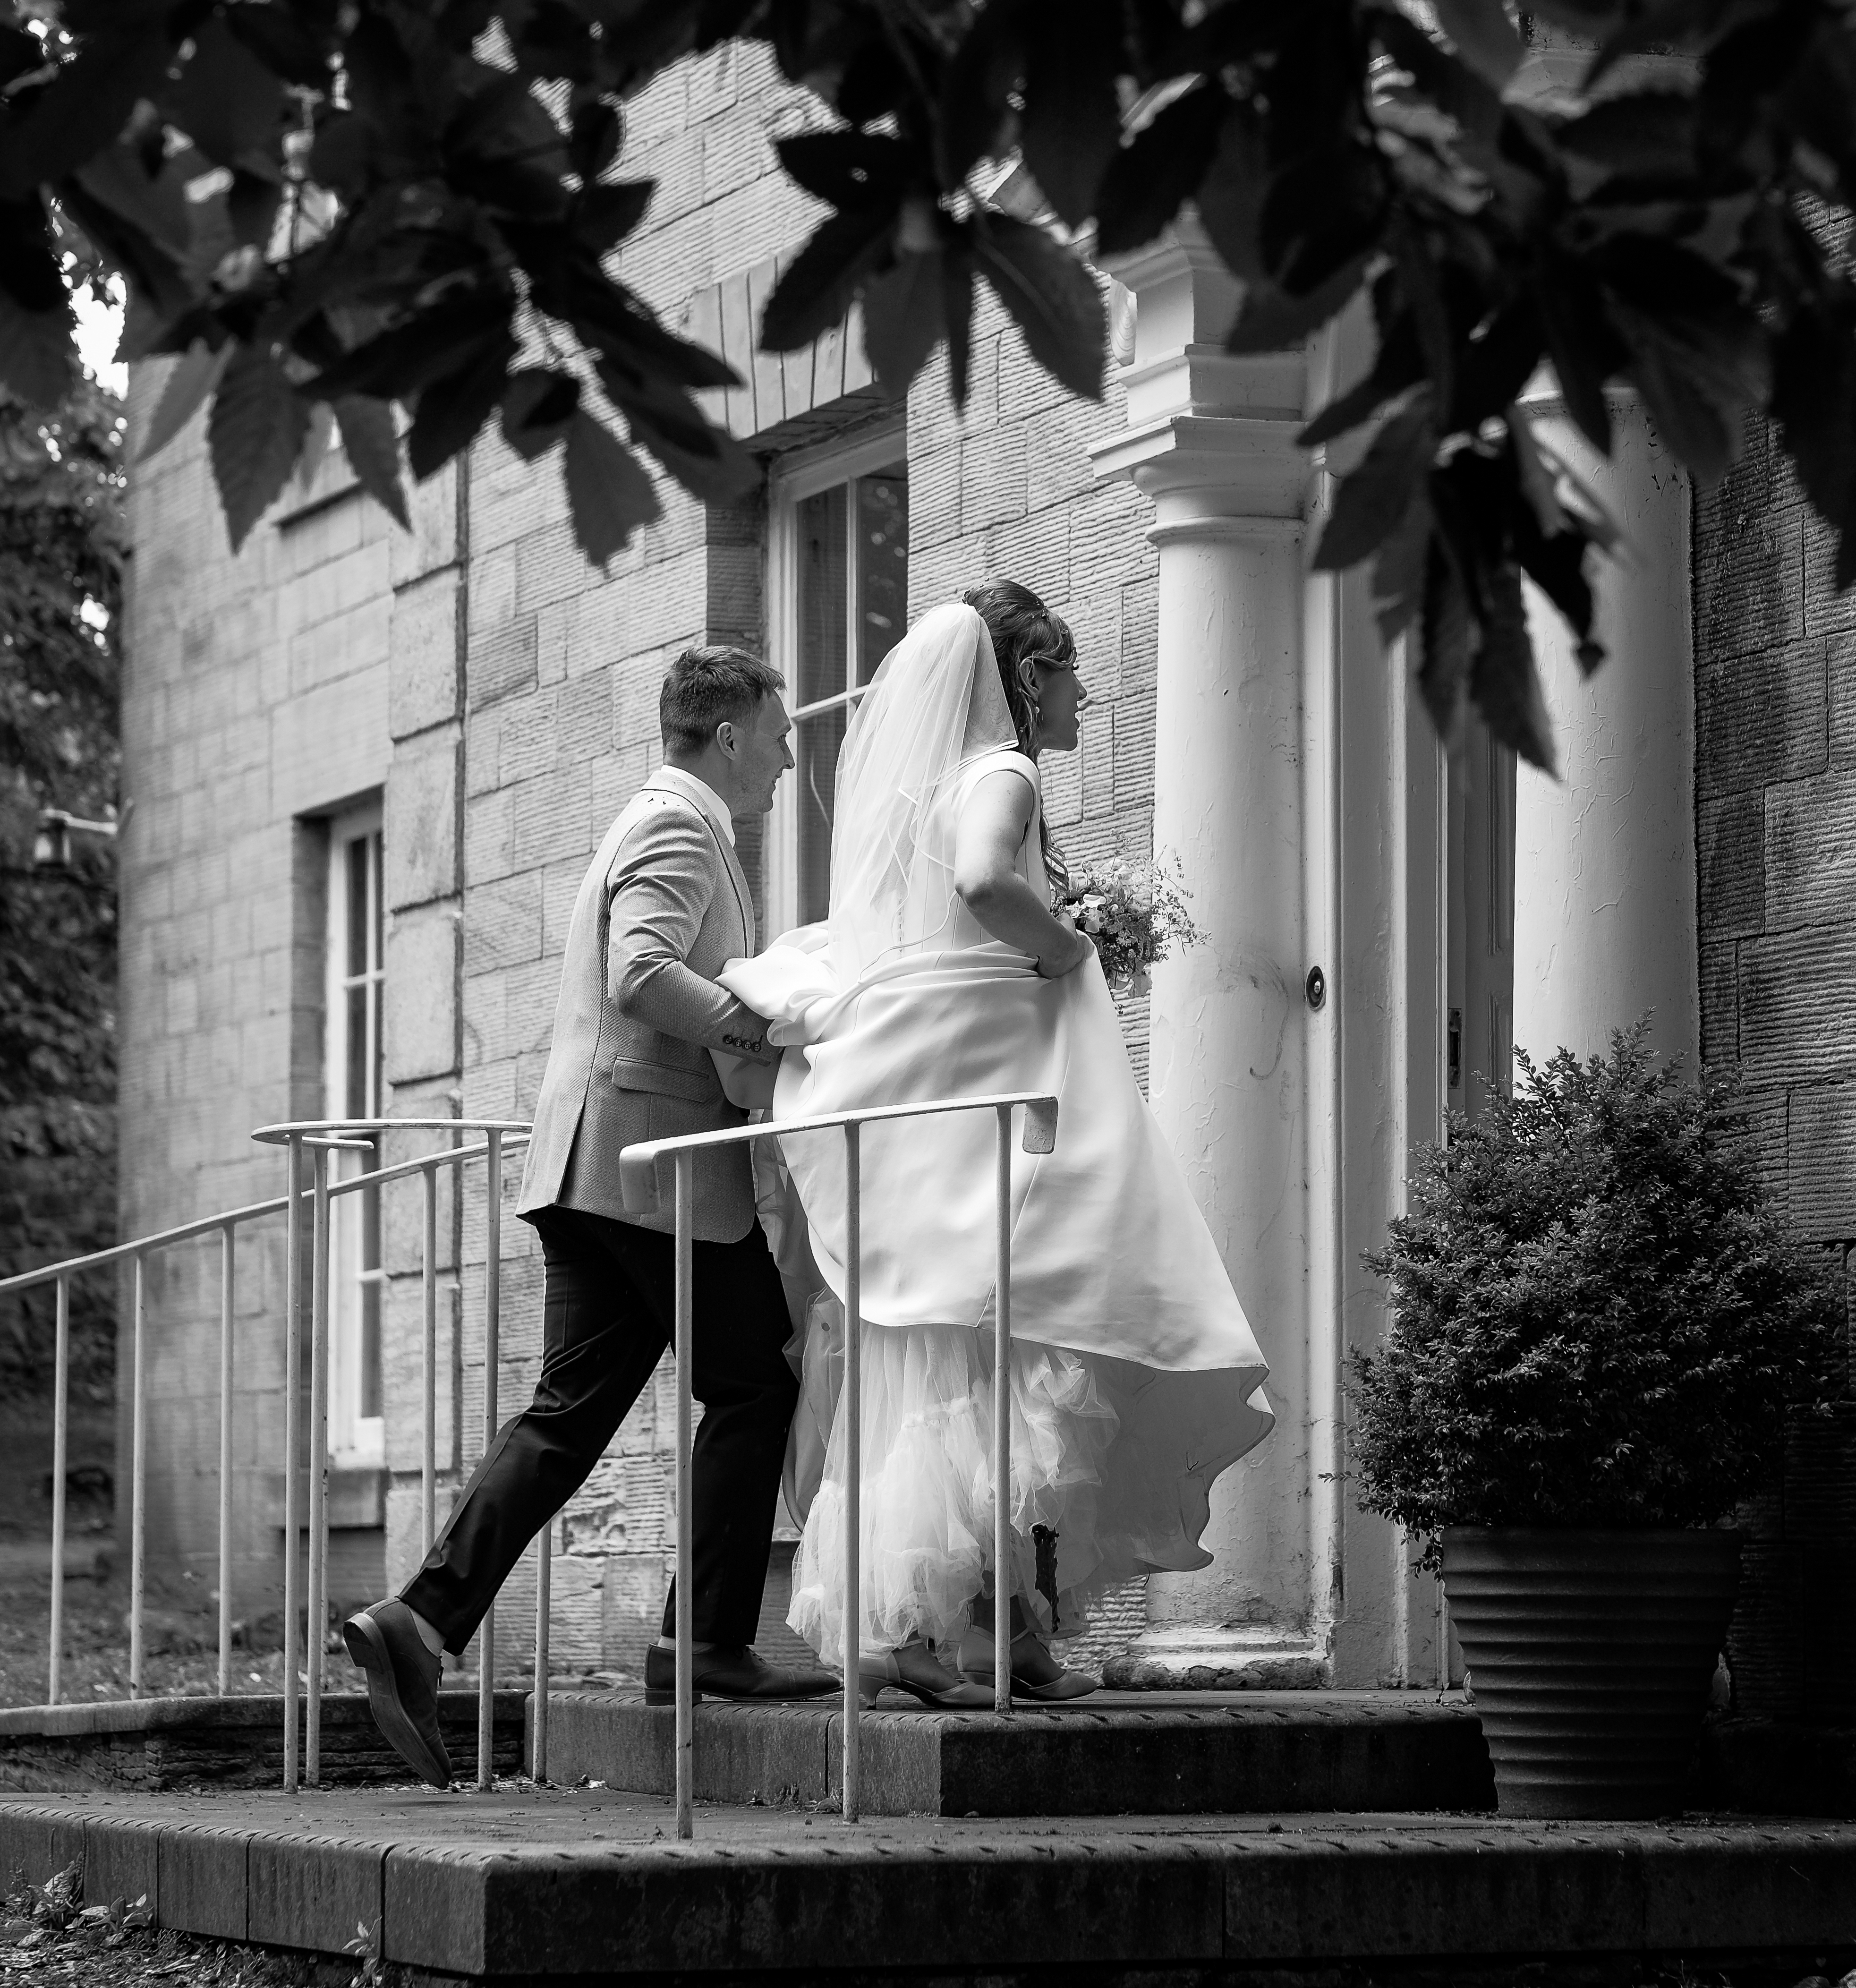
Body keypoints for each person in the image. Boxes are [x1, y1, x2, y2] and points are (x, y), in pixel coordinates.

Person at [724, 584, 1273, 1709]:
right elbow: (983, 885)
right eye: (1069, 673)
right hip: (997, 1105)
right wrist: (1069, 945)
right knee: (1011, 1343)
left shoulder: (925, 793)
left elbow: (927, 923)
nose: (1084, 693)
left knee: (964, 1357)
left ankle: (990, 1627)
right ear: (1027, 681)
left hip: (941, 1098)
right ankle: (926, 1630)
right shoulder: (1004, 777)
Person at [344, 643, 834, 1791]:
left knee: (572, 1413)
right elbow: (641, 971)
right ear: (726, 735)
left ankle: (420, 1623)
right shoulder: (678, 823)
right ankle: (702, 1643)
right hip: (646, 1173)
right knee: (759, 1374)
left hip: (597, 1170)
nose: (784, 752)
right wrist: (760, 1036)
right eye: (776, 730)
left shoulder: (659, 818)